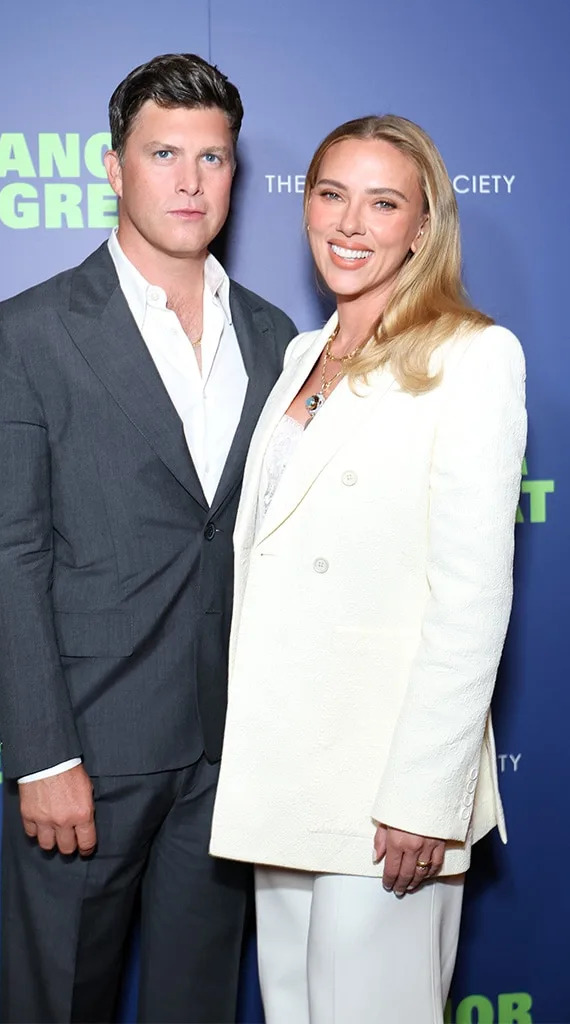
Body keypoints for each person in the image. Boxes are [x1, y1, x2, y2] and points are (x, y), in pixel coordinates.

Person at [0, 53, 296, 1024]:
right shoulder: (24, 333)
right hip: (86, 757)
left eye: (213, 158)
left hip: (229, 762)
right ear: (113, 168)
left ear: (236, 171)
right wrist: (43, 756)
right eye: (163, 153)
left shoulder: (277, 338)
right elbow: (4, 553)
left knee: (197, 1006)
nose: (190, 181)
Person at [209, 114, 526, 1024]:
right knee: (296, 1010)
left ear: (423, 226)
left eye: (382, 202)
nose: (350, 224)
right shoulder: (303, 355)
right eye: (330, 194)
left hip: (385, 785)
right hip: (284, 769)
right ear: (304, 206)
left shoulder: (473, 356)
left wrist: (426, 797)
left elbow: (471, 598)